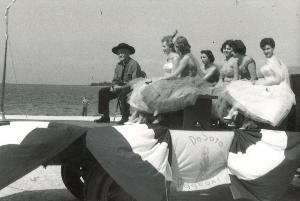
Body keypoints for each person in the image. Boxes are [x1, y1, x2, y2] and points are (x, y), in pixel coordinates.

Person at [130, 35, 211, 124]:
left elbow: (175, 74)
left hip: (186, 82)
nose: (174, 48)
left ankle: (158, 116)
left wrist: (161, 78)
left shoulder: (185, 58)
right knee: (156, 91)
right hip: (187, 81)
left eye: (175, 46)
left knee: (157, 92)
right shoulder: (189, 56)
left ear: (179, 47)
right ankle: (151, 115)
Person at [223, 38, 296, 128]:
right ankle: (239, 116)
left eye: (268, 48)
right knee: (244, 87)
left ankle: (239, 116)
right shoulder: (268, 59)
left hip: (275, 88)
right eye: (264, 49)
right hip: (268, 84)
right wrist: (257, 81)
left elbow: (277, 79)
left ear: (273, 48)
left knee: (248, 90)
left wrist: (259, 83)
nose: (265, 51)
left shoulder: (274, 60)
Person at [128, 31, 180, 123]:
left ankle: (151, 116)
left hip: (171, 83)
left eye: (164, 46)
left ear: (170, 47)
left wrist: (161, 80)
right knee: (142, 88)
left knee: (148, 91)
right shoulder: (169, 57)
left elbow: (175, 74)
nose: (162, 49)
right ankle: (139, 114)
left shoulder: (175, 57)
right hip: (165, 81)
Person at [94, 43, 142, 125]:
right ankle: (105, 117)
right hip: (119, 88)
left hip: (131, 89)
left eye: (123, 52)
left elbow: (135, 82)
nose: (120, 55)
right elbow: (115, 80)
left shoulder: (134, 64)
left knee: (123, 93)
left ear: (128, 53)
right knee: (103, 91)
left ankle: (125, 118)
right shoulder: (118, 65)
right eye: (119, 53)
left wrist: (121, 87)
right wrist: (113, 86)